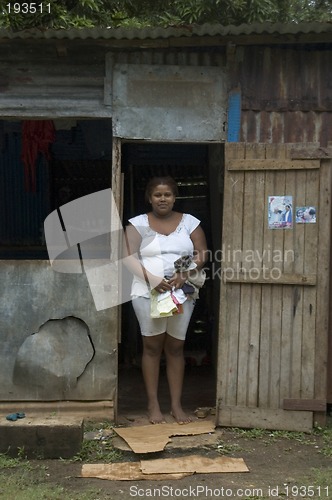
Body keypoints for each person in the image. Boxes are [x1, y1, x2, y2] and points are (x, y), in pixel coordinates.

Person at [124, 176, 208, 425]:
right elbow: (127, 257)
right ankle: (153, 405)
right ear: (150, 198)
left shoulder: (190, 222)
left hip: (182, 291)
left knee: (175, 347)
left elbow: (202, 252)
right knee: (151, 347)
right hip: (146, 291)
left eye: (168, 194)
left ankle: (176, 405)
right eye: (158, 195)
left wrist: (186, 273)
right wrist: (151, 278)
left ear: (174, 197)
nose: (163, 199)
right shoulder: (137, 224)